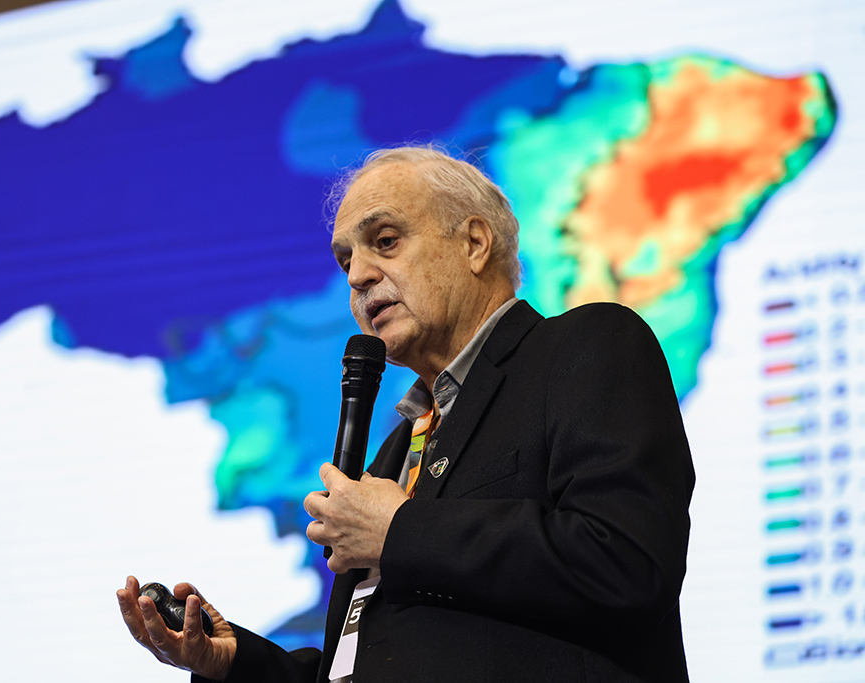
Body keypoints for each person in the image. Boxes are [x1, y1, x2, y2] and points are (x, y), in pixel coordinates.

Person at [117, 145, 696, 682]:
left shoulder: (584, 348)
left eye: (386, 241)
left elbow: (626, 562)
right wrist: (235, 662)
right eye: (347, 258)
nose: (358, 275)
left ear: (473, 244)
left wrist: (401, 531)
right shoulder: (399, 449)